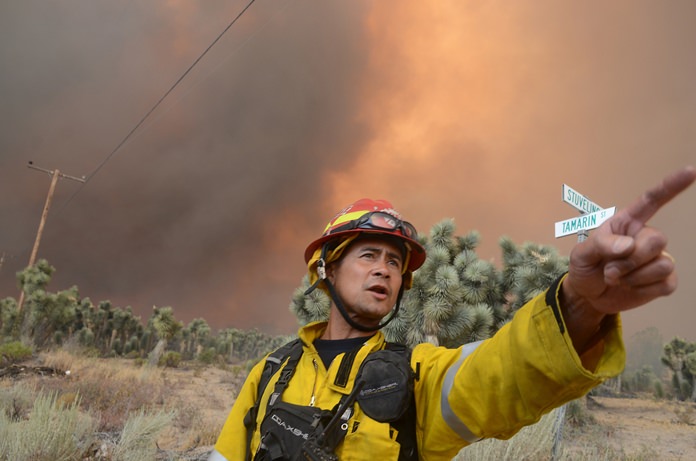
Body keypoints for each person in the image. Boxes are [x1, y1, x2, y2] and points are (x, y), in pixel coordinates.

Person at [209, 166, 696, 461]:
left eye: (395, 263)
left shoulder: (418, 376)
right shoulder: (271, 373)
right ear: (326, 272)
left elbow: (500, 375)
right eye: (367, 256)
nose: (384, 270)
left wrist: (582, 304)